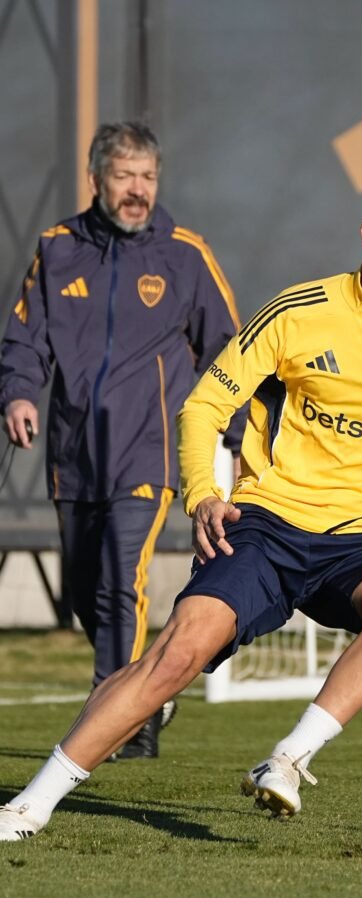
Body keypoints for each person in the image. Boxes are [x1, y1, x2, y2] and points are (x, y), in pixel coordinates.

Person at [0, 166, 362, 841]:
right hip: (268, 527)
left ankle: (289, 759)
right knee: (174, 657)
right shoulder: (299, 312)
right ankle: (30, 804)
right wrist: (204, 493)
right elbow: (204, 404)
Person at [0, 121, 244, 761]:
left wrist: (239, 432)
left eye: (148, 177)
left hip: (149, 449)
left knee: (118, 577)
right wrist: (20, 393)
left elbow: (231, 351)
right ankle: (148, 692)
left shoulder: (184, 254)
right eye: (124, 176)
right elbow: (24, 340)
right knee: (86, 591)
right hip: (74, 456)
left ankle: (120, 722)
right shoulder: (57, 250)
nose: (138, 190)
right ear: (96, 180)